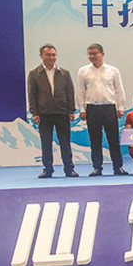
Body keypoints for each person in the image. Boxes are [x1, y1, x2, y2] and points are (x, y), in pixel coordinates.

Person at [75, 43, 128, 176]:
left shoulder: (113, 70)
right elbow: (80, 92)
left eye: (95, 53)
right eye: (90, 54)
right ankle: (97, 167)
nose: (92, 56)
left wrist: (121, 107)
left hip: (109, 107)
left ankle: (118, 167)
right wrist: (82, 109)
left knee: (113, 140)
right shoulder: (83, 71)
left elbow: (119, 90)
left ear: (102, 54)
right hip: (92, 108)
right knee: (95, 140)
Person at [27, 43, 78, 179]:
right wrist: (34, 113)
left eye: (53, 55)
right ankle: (48, 170)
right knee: (46, 143)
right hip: (44, 114)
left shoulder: (64, 73)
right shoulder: (34, 74)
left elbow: (70, 93)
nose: (51, 57)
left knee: (65, 143)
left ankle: (69, 169)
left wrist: (71, 111)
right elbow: (32, 95)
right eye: (48, 55)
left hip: (62, 113)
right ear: (41, 56)